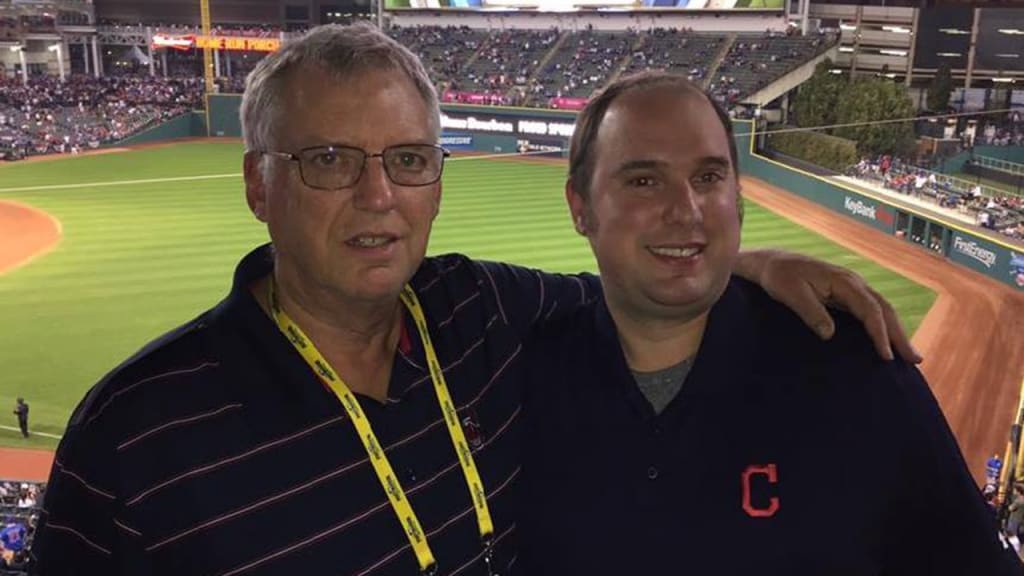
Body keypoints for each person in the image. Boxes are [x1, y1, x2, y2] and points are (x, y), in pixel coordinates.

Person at [32, 25, 915, 575]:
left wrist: (743, 259)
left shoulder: (478, 308)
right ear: (260, 184)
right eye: (331, 160)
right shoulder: (132, 436)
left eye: (409, 160)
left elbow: (630, 281)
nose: (379, 196)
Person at [518, 71, 1023, 575]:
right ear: (580, 207)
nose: (685, 210)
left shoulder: (860, 369)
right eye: (644, 181)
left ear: (736, 198)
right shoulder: (518, 375)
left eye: (709, 177)